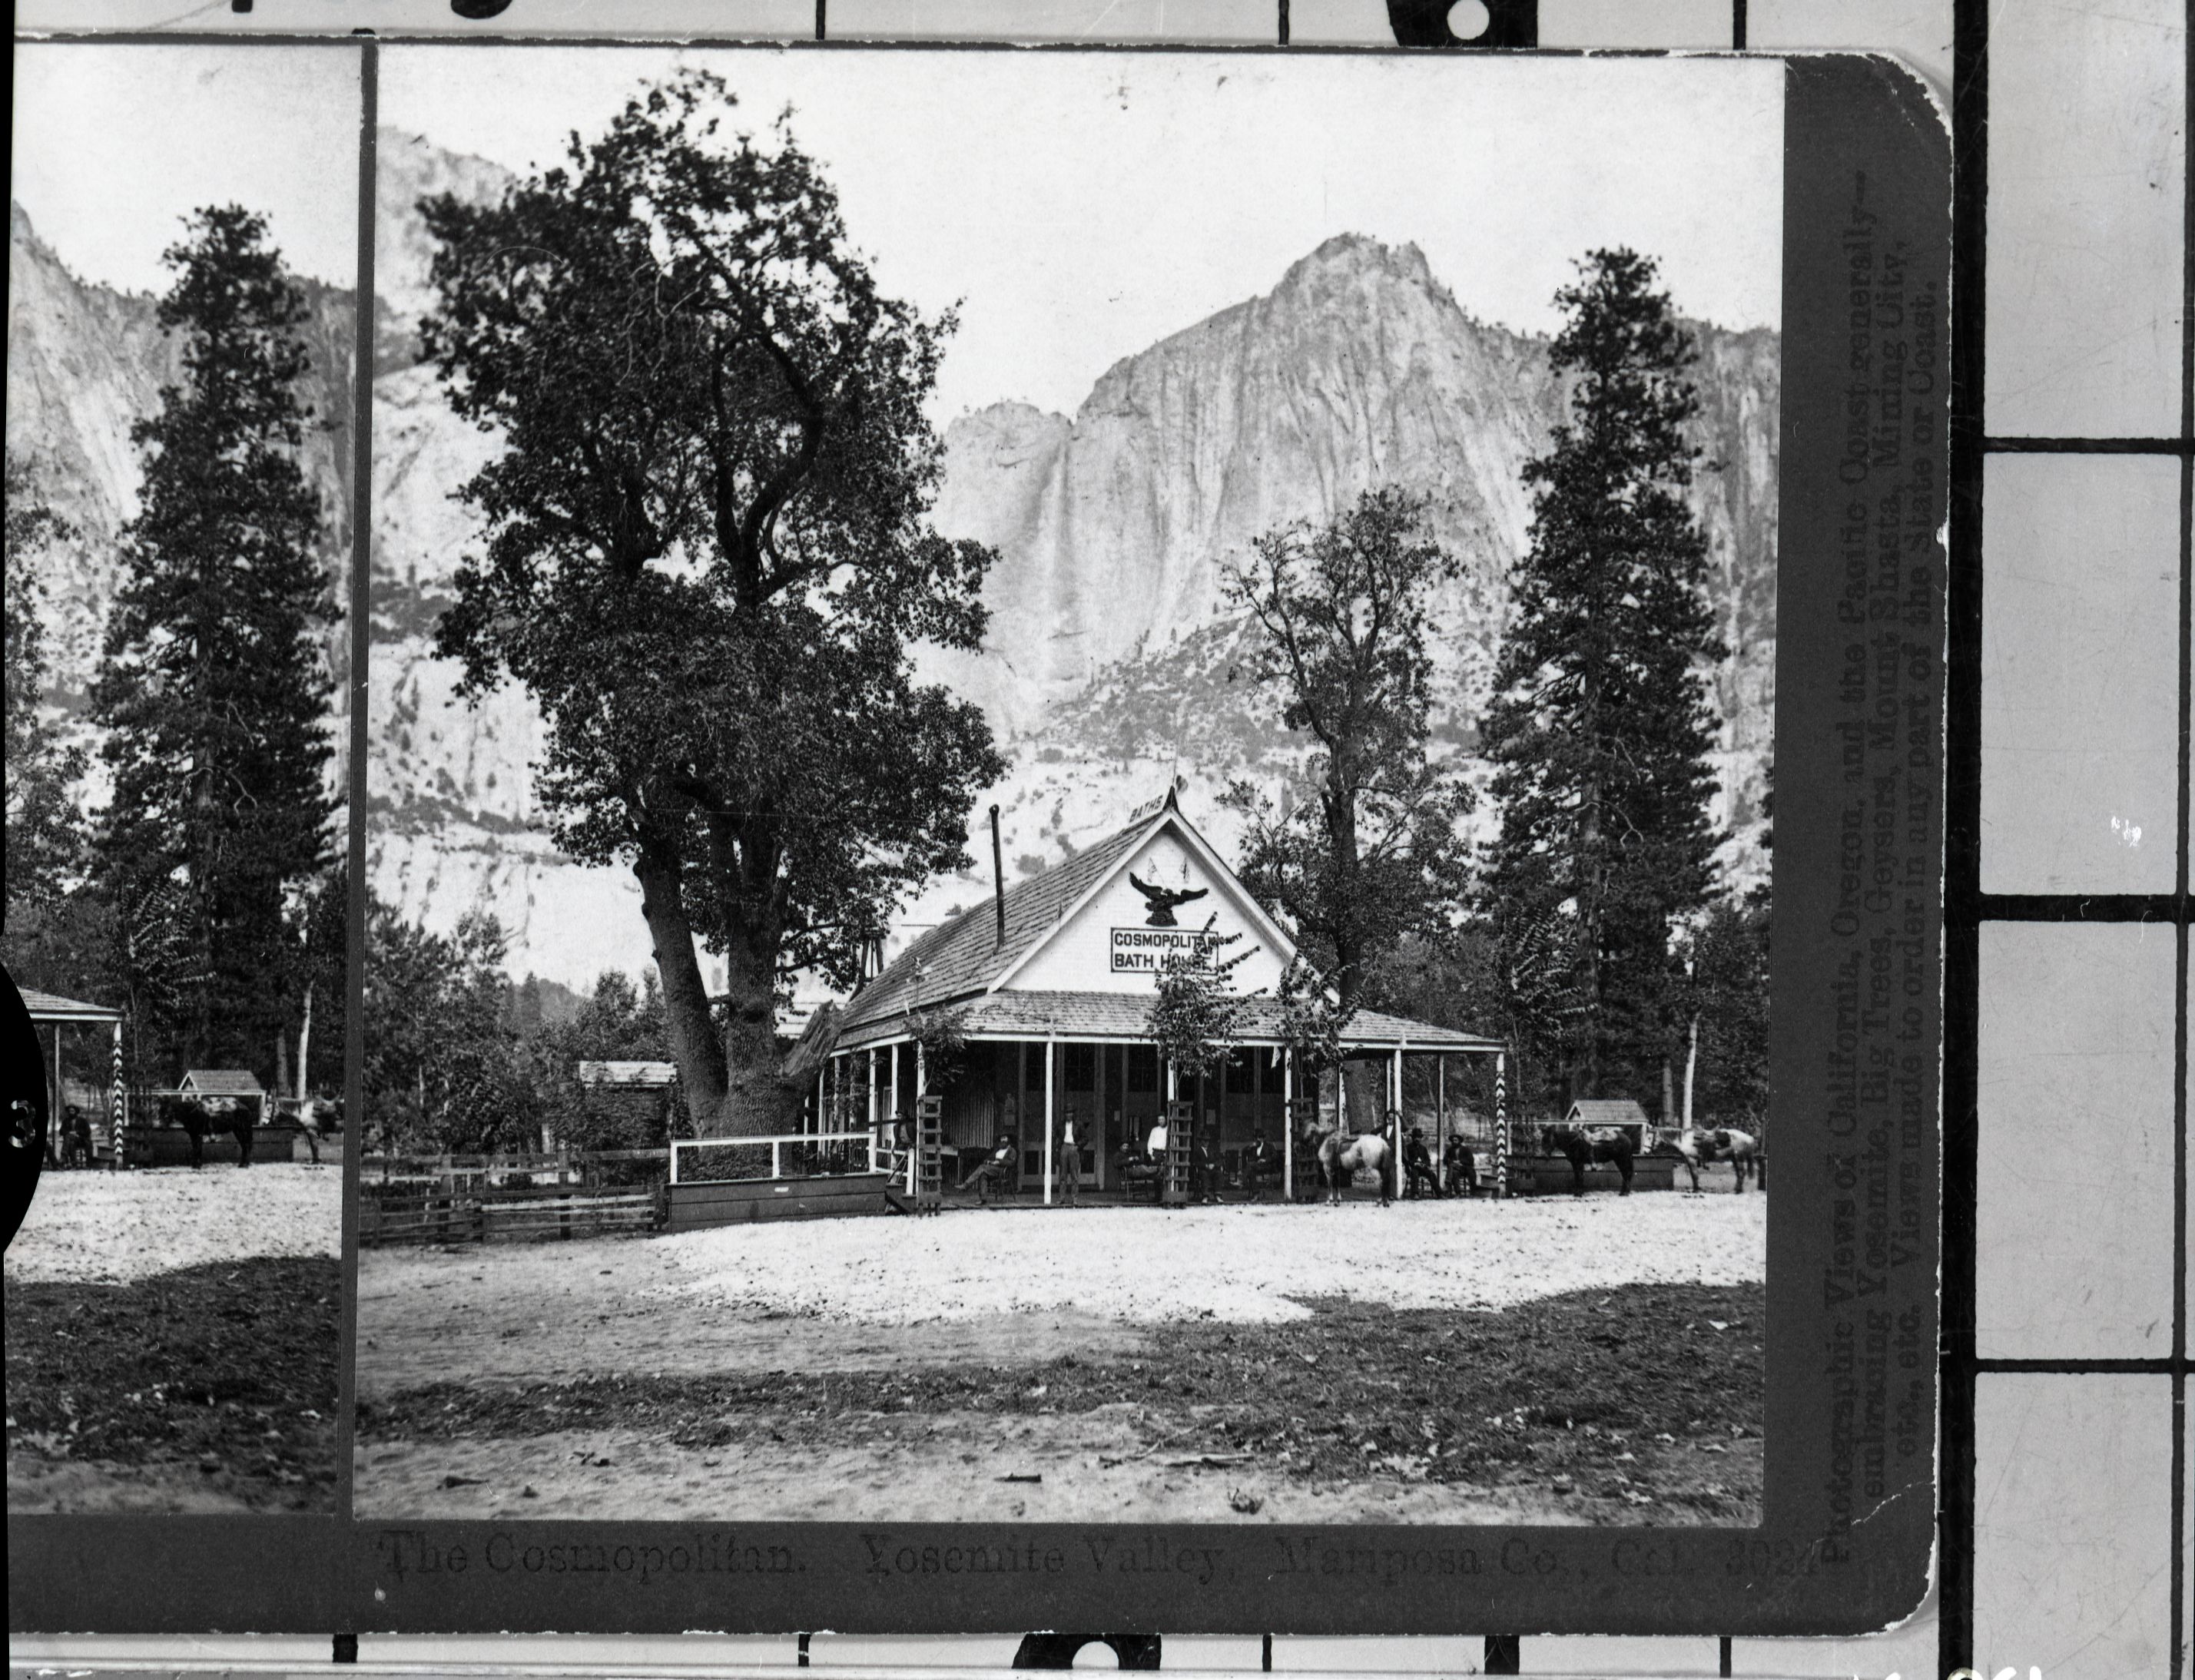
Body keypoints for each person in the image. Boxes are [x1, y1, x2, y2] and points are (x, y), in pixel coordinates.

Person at [1403, 1126, 1442, 1199]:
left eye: (1419, 1137)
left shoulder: (1423, 1148)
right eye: (1416, 1137)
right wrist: (1414, 1163)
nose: (1417, 1139)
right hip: (1412, 1168)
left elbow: (1428, 1159)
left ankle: (1439, 1193)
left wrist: (1425, 1164)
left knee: (1432, 1174)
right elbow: (1406, 1159)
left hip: (1422, 1168)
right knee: (1415, 1173)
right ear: (1413, 1138)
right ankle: (1415, 1194)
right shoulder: (1408, 1148)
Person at [1058, 1112, 1081, 1206]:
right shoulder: (1061, 1125)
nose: (1069, 1115)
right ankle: (1062, 1198)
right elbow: (1057, 1135)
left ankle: (1074, 1199)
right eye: (1067, 1113)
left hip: (1073, 1147)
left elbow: (1085, 1138)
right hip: (1064, 1146)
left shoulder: (1078, 1125)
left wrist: (1078, 1146)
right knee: (1063, 1175)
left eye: (1071, 1113)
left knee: (1074, 1175)